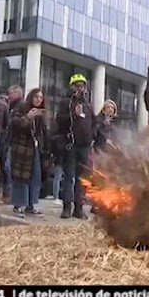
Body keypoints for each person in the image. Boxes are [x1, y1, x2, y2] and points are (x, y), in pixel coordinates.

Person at [56, 74, 96, 220]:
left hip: (84, 146)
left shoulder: (88, 104)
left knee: (81, 179)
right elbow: (59, 120)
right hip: (71, 144)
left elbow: (93, 122)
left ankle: (79, 208)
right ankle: (67, 207)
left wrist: (92, 136)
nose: (80, 88)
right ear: (72, 87)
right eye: (77, 85)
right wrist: (73, 114)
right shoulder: (66, 102)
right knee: (69, 177)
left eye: (82, 85)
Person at [9, 88, 48, 217]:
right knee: (21, 176)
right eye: (36, 96)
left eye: (41, 97)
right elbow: (14, 124)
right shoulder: (21, 107)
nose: (39, 99)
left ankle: (31, 205)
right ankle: (18, 204)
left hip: (34, 148)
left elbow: (42, 133)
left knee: (35, 177)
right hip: (21, 147)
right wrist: (28, 117)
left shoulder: (41, 114)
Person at [0, 85, 23, 203]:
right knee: (5, 167)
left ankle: (10, 193)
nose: (9, 96)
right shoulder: (10, 107)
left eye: (11, 93)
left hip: (13, 140)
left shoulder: (18, 107)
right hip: (8, 139)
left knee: (8, 167)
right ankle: (7, 192)